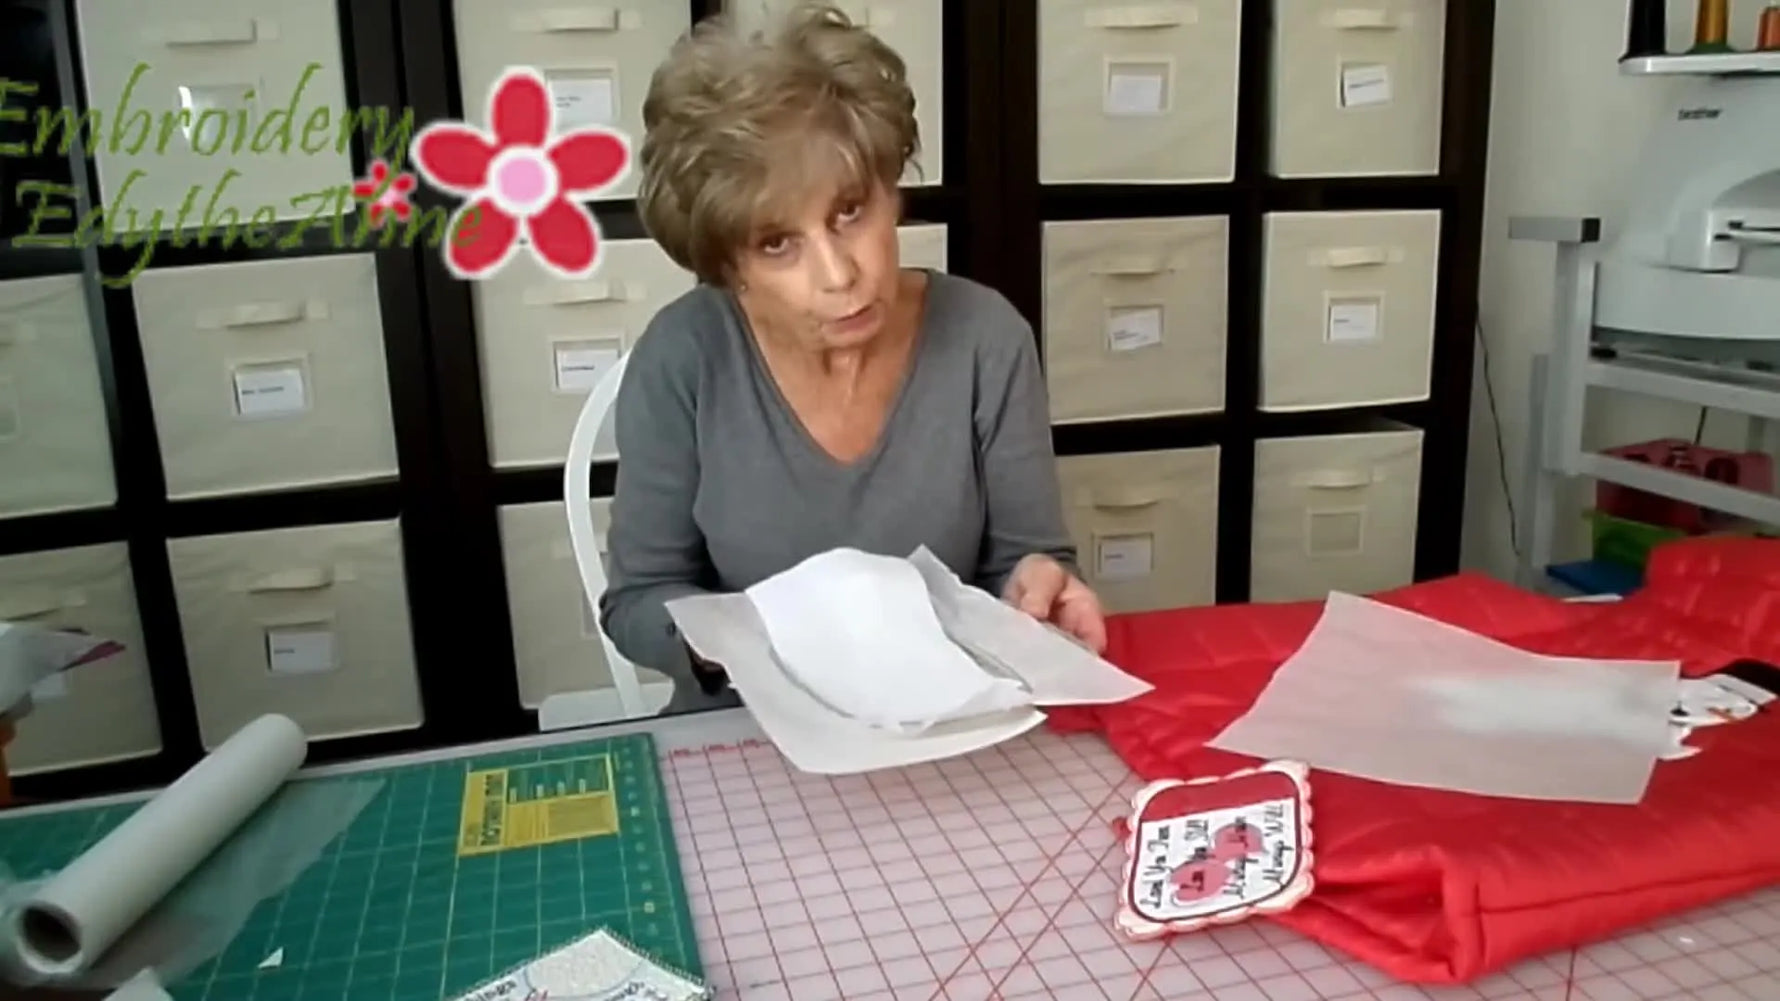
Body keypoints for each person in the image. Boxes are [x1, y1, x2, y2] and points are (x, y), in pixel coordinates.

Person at [600, 2, 1107, 713]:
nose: (840, 274)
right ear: (727, 265)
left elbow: (1025, 564)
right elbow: (636, 602)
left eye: (849, 211)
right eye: (777, 243)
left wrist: (1039, 587)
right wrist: (748, 640)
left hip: (946, 721)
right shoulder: (681, 358)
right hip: (744, 731)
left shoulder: (987, 337)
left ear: (892, 192)